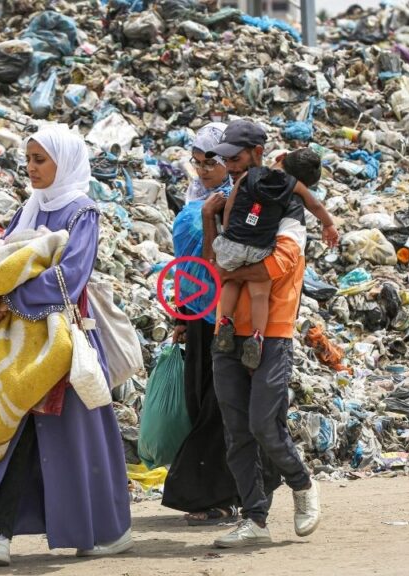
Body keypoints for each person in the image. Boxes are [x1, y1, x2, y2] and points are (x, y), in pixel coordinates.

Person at [0, 127, 132, 566]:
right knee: (43, 431)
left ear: (63, 162)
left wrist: (8, 293)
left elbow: (71, 276)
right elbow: (8, 260)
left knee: (32, 428)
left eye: (40, 160)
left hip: (59, 340)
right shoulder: (30, 209)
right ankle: (100, 529)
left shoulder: (82, 212)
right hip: (19, 340)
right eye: (28, 159)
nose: (31, 168)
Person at [200, 119, 322, 549]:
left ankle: (302, 484)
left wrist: (230, 267)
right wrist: (208, 219)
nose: (229, 165)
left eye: (236, 157)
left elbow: (279, 265)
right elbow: (211, 264)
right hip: (229, 330)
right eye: (226, 158)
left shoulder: (284, 202)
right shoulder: (231, 199)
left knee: (264, 424)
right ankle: (254, 517)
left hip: (272, 331)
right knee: (236, 430)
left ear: (257, 153)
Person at [162, 122, 241, 525]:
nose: (203, 169)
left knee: (217, 405)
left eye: (210, 161)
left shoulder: (237, 202)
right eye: (196, 162)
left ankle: (214, 494)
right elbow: (185, 265)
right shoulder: (198, 199)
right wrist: (180, 314)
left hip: (226, 315)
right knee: (199, 400)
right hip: (197, 315)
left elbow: (224, 258)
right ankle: (234, 488)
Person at [213, 148, 338, 369]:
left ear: (281, 158)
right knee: (260, 294)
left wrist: (229, 230)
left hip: (234, 241)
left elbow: (231, 204)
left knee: (230, 281)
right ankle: (257, 336)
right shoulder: (293, 186)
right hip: (260, 246)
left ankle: (225, 321)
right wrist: (328, 224)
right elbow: (314, 204)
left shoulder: (249, 175)